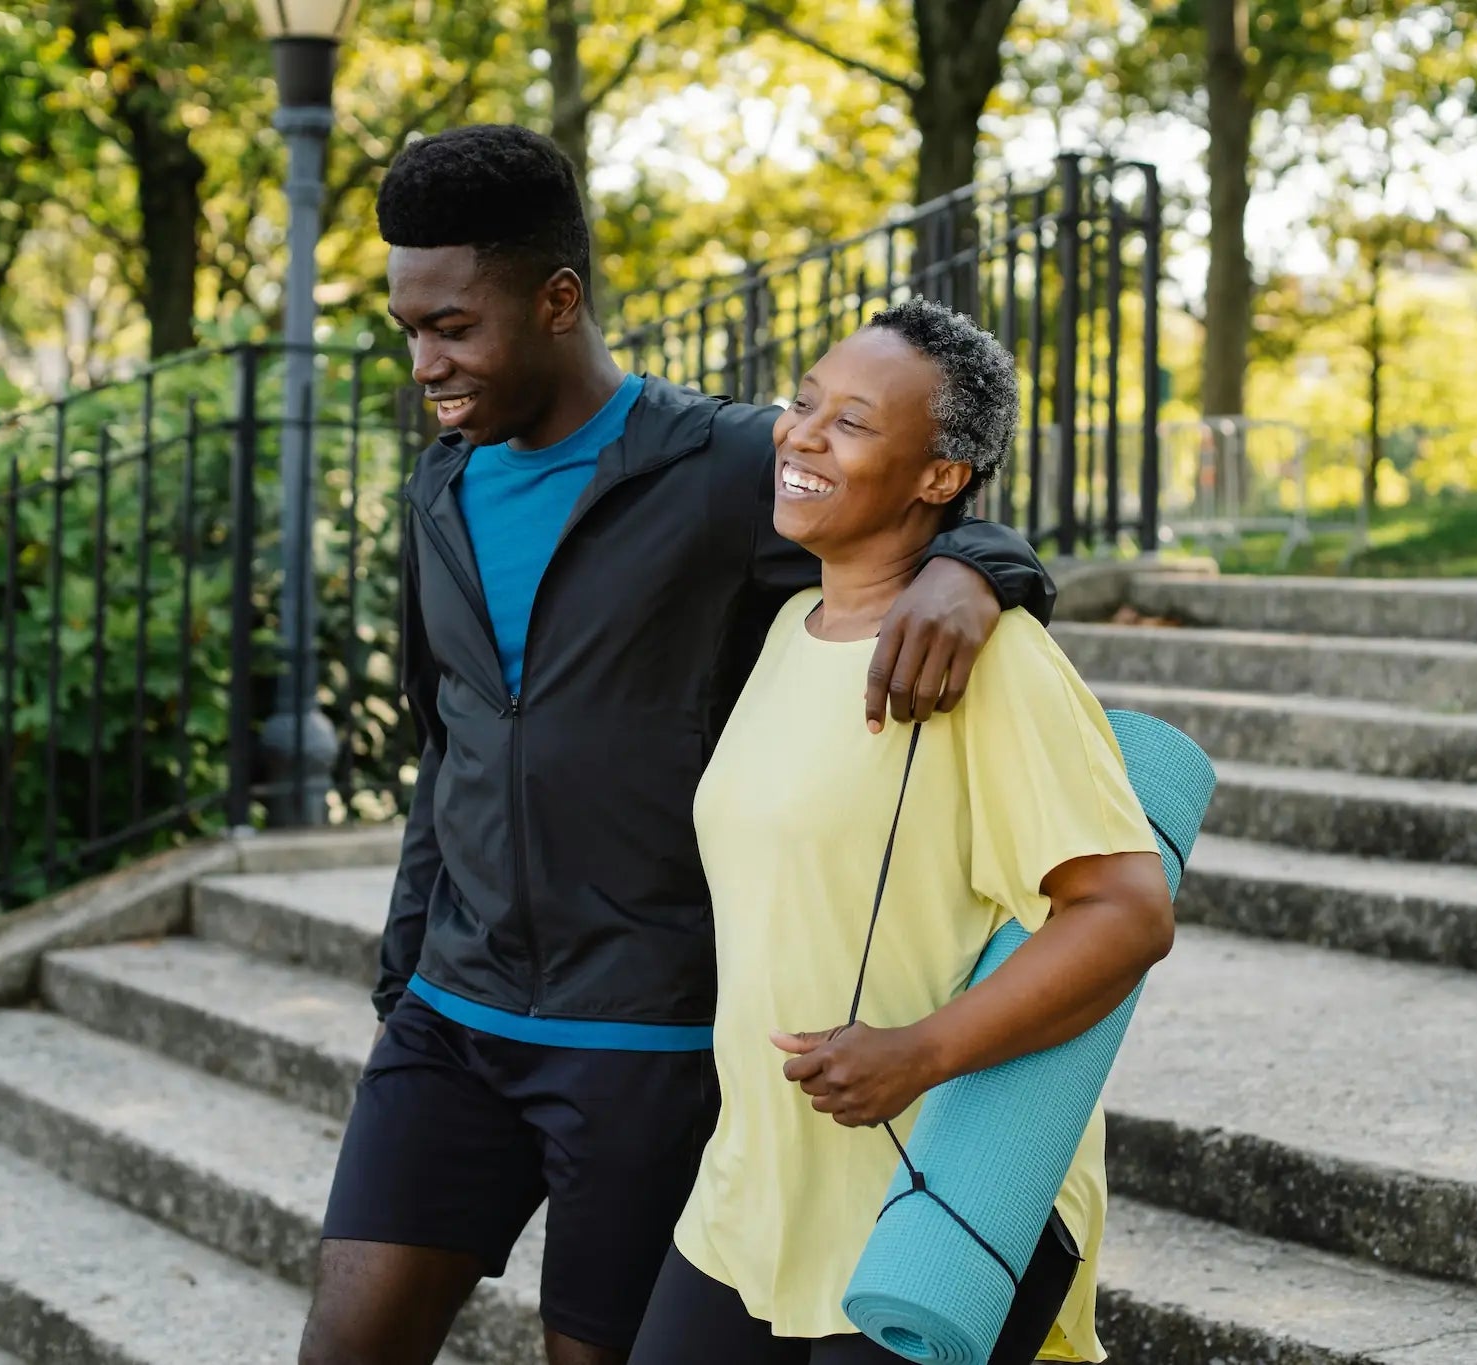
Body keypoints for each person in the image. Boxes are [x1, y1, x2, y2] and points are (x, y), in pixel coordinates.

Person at [297, 127, 1056, 1365]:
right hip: (450, 1015)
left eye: (454, 327)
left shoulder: (715, 462)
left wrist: (976, 576)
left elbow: (924, 496)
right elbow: (451, 745)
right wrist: (401, 974)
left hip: (642, 1038)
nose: (426, 364)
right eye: (409, 332)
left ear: (556, 300)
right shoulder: (438, 488)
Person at [628, 298, 1177, 1364]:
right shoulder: (787, 625)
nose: (799, 434)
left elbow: (1125, 912)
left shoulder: (993, 663)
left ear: (939, 477)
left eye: (852, 423)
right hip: (754, 1190)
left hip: (936, 1196)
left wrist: (918, 1054)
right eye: (801, 404)